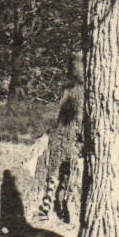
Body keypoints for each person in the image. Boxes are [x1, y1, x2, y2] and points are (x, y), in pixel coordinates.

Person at [33, 51, 85, 225]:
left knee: (63, 175)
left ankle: (56, 207)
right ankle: (50, 207)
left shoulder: (73, 88)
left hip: (68, 136)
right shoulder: (74, 89)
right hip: (66, 136)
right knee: (59, 174)